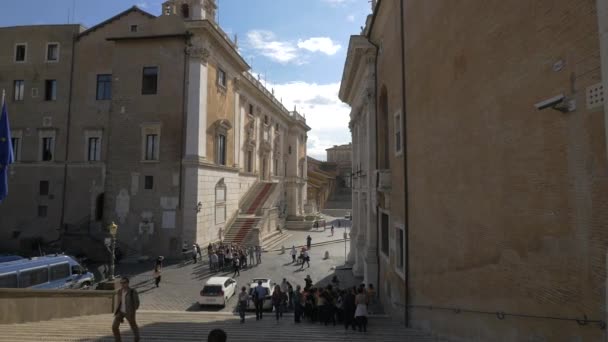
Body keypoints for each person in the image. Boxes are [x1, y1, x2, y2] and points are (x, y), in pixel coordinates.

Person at [112, 277, 140, 342]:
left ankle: (137, 339)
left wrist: (132, 310)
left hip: (129, 312)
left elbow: (137, 303)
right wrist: (117, 311)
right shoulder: (119, 291)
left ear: (127, 283)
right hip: (120, 312)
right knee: (114, 327)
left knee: (133, 326)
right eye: (121, 283)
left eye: (124, 283)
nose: (122, 284)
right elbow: (118, 302)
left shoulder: (132, 291)